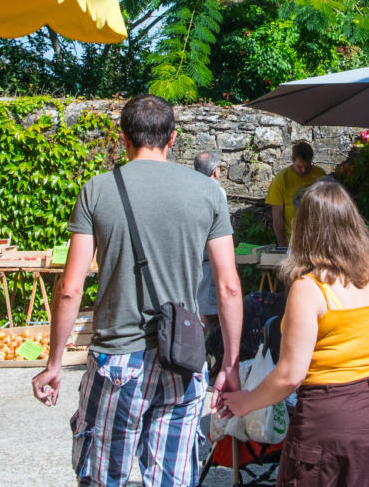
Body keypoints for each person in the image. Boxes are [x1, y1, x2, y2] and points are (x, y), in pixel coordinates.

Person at [32, 94, 243, 487]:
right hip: (183, 358)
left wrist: (55, 362)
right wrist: (229, 365)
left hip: (116, 359)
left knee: (102, 477)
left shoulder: (96, 190)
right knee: (171, 479)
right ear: (173, 138)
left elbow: (69, 288)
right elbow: (228, 287)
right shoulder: (208, 193)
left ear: (123, 137)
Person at [220, 179, 369, 487]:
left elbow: (290, 374)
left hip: (330, 422)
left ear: (304, 230)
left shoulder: (310, 288)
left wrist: (245, 403)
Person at [266, 140, 325, 245]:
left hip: (318, 240)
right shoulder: (281, 179)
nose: (303, 170)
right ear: (292, 160)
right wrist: (282, 245)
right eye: (299, 166)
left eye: (307, 167)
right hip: (293, 242)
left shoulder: (320, 175)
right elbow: (277, 217)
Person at [194, 150, 227, 334]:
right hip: (209, 261)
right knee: (208, 314)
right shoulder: (216, 191)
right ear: (215, 171)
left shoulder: (188, 188)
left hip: (192, 260)